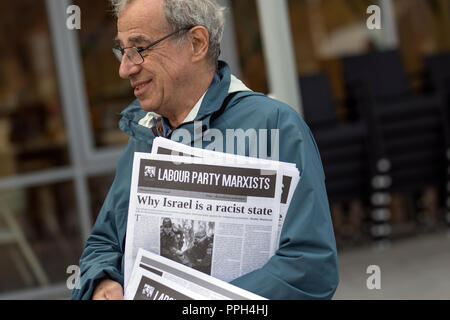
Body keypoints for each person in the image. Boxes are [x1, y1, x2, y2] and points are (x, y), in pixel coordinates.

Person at [71, 0, 339, 300]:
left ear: (197, 43)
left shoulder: (274, 126)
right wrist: (103, 283)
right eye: (122, 50)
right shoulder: (144, 135)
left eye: (139, 49)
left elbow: (310, 267)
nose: (124, 68)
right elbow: (103, 243)